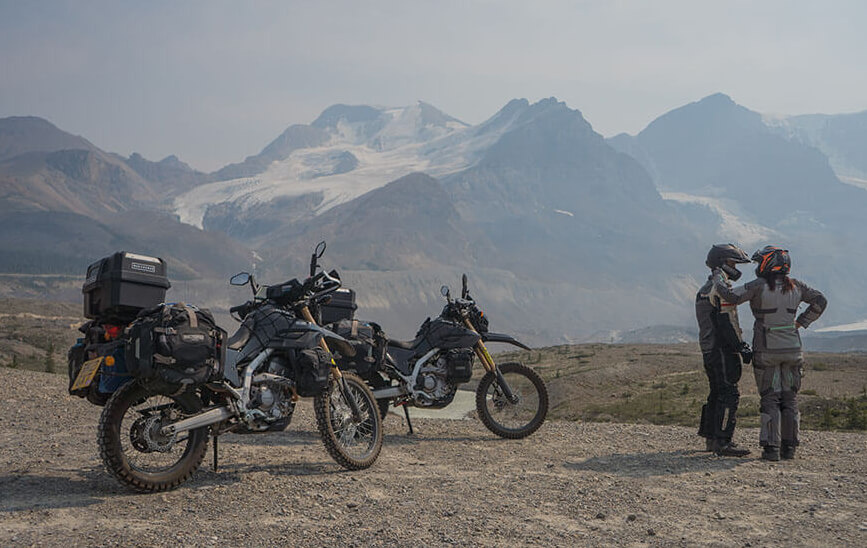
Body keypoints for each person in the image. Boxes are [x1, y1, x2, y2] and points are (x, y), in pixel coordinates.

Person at [712, 246, 827, 461]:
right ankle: (789, 448)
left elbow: (729, 295)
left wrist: (718, 277)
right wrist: (802, 322)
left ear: (767, 263)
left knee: (770, 398)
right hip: (793, 350)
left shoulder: (758, 286)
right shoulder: (798, 286)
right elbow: (821, 301)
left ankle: (771, 448)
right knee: (790, 398)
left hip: (767, 351)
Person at [695, 244, 753, 457]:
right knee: (729, 392)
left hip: (709, 349)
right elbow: (725, 322)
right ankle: (724, 440)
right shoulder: (719, 288)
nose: (735, 267)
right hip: (722, 349)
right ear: (722, 263)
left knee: (716, 392)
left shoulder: (705, 287)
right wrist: (741, 346)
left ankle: (711, 437)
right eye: (732, 263)